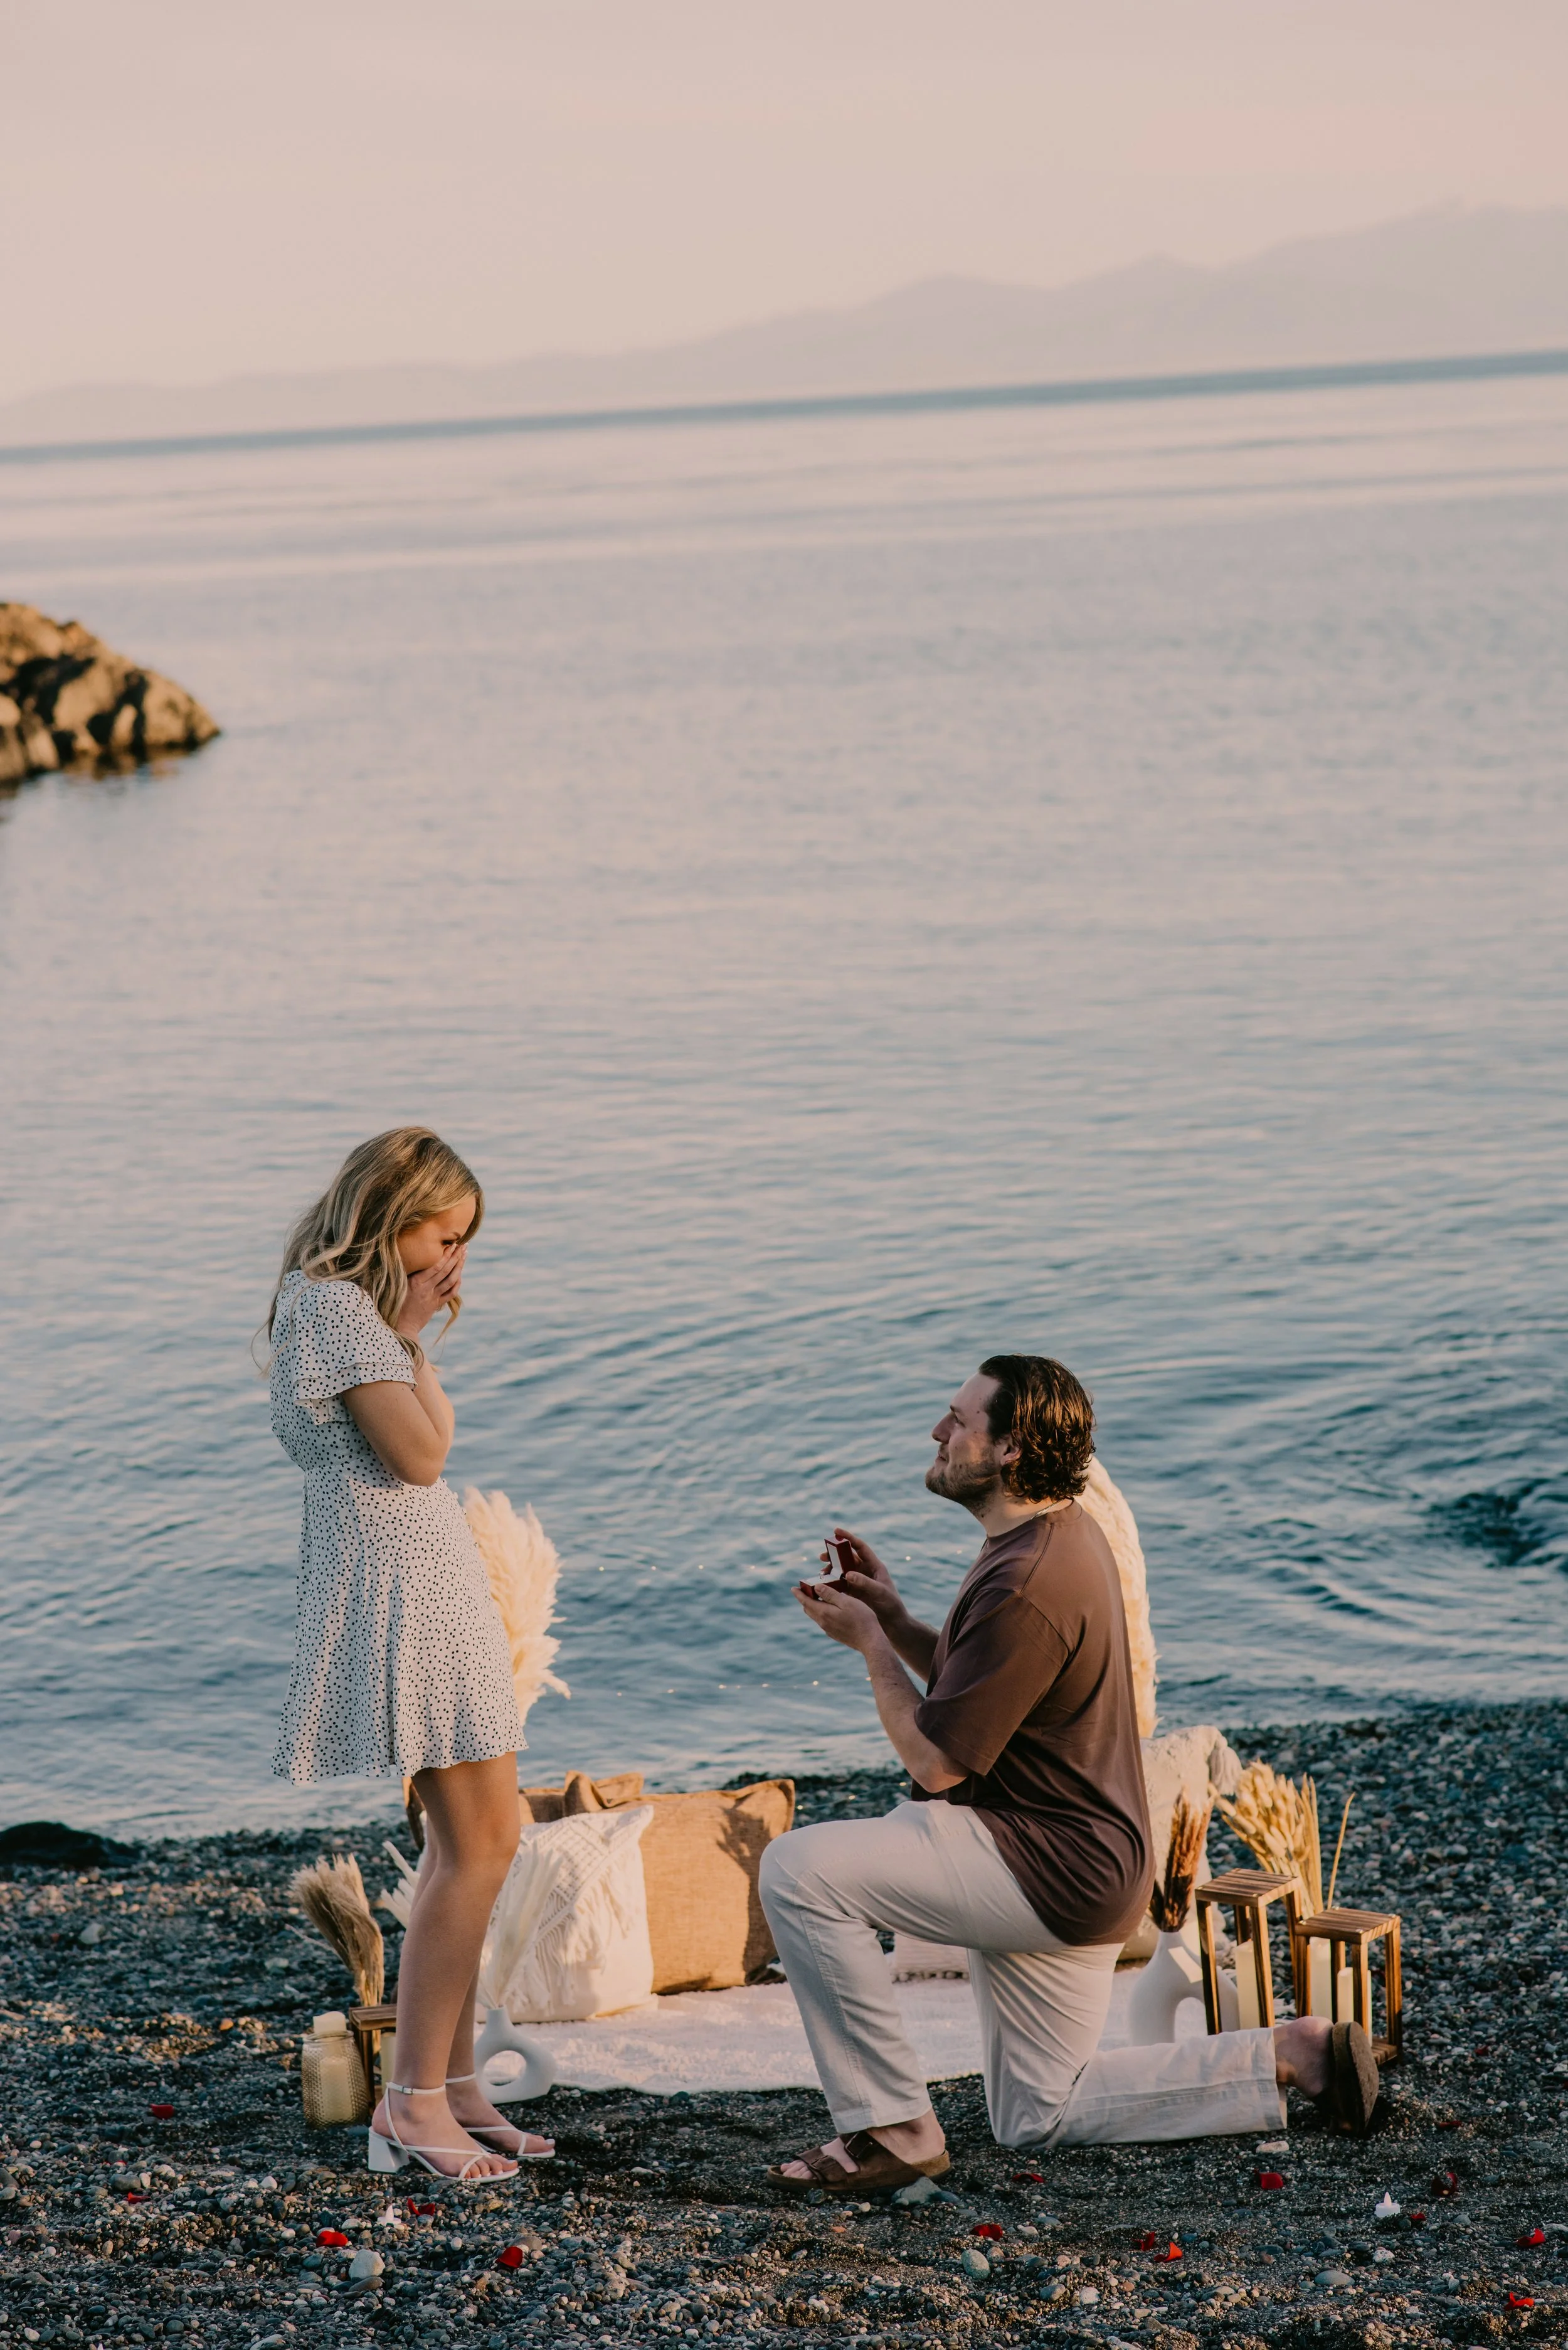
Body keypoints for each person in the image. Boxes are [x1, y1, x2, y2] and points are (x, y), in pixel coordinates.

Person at [759, 1353, 1378, 2194]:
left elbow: (938, 1761)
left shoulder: (1026, 1580)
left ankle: (895, 2128)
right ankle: (1290, 2053)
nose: (939, 1432)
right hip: (1084, 1865)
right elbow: (988, 1688)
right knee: (1036, 2114)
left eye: (958, 1420)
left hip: (1042, 1865)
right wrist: (895, 1616)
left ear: (1010, 1449)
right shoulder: (1054, 1534)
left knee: (799, 1872)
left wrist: (868, 1646)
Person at [264, 1126, 551, 2183]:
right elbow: (423, 1453)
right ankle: (411, 2103)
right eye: (444, 1232)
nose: (453, 1257)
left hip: (422, 1576)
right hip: (399, 1588)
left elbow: (431, 1436)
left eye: (463, 1240)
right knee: (476, 1845)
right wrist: (416, 1321)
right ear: (394, 1210)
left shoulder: (356, 1313)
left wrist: (414, 1328)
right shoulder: (335, 1309)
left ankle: (456, 2079)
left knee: (475, 1842)